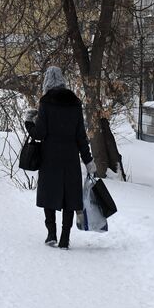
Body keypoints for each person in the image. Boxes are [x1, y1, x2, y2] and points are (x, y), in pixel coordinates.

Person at [24, 66, 96, 249]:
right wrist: (88, 160)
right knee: (69, 198)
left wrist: (28, 123)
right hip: (70, 157)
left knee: (49, 194)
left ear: (47, 82)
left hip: (50, 157)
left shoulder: (46, 102)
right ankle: (65, 237)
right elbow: (81, 135)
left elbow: (39, 133)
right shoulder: (75, 103)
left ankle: (51, 234)